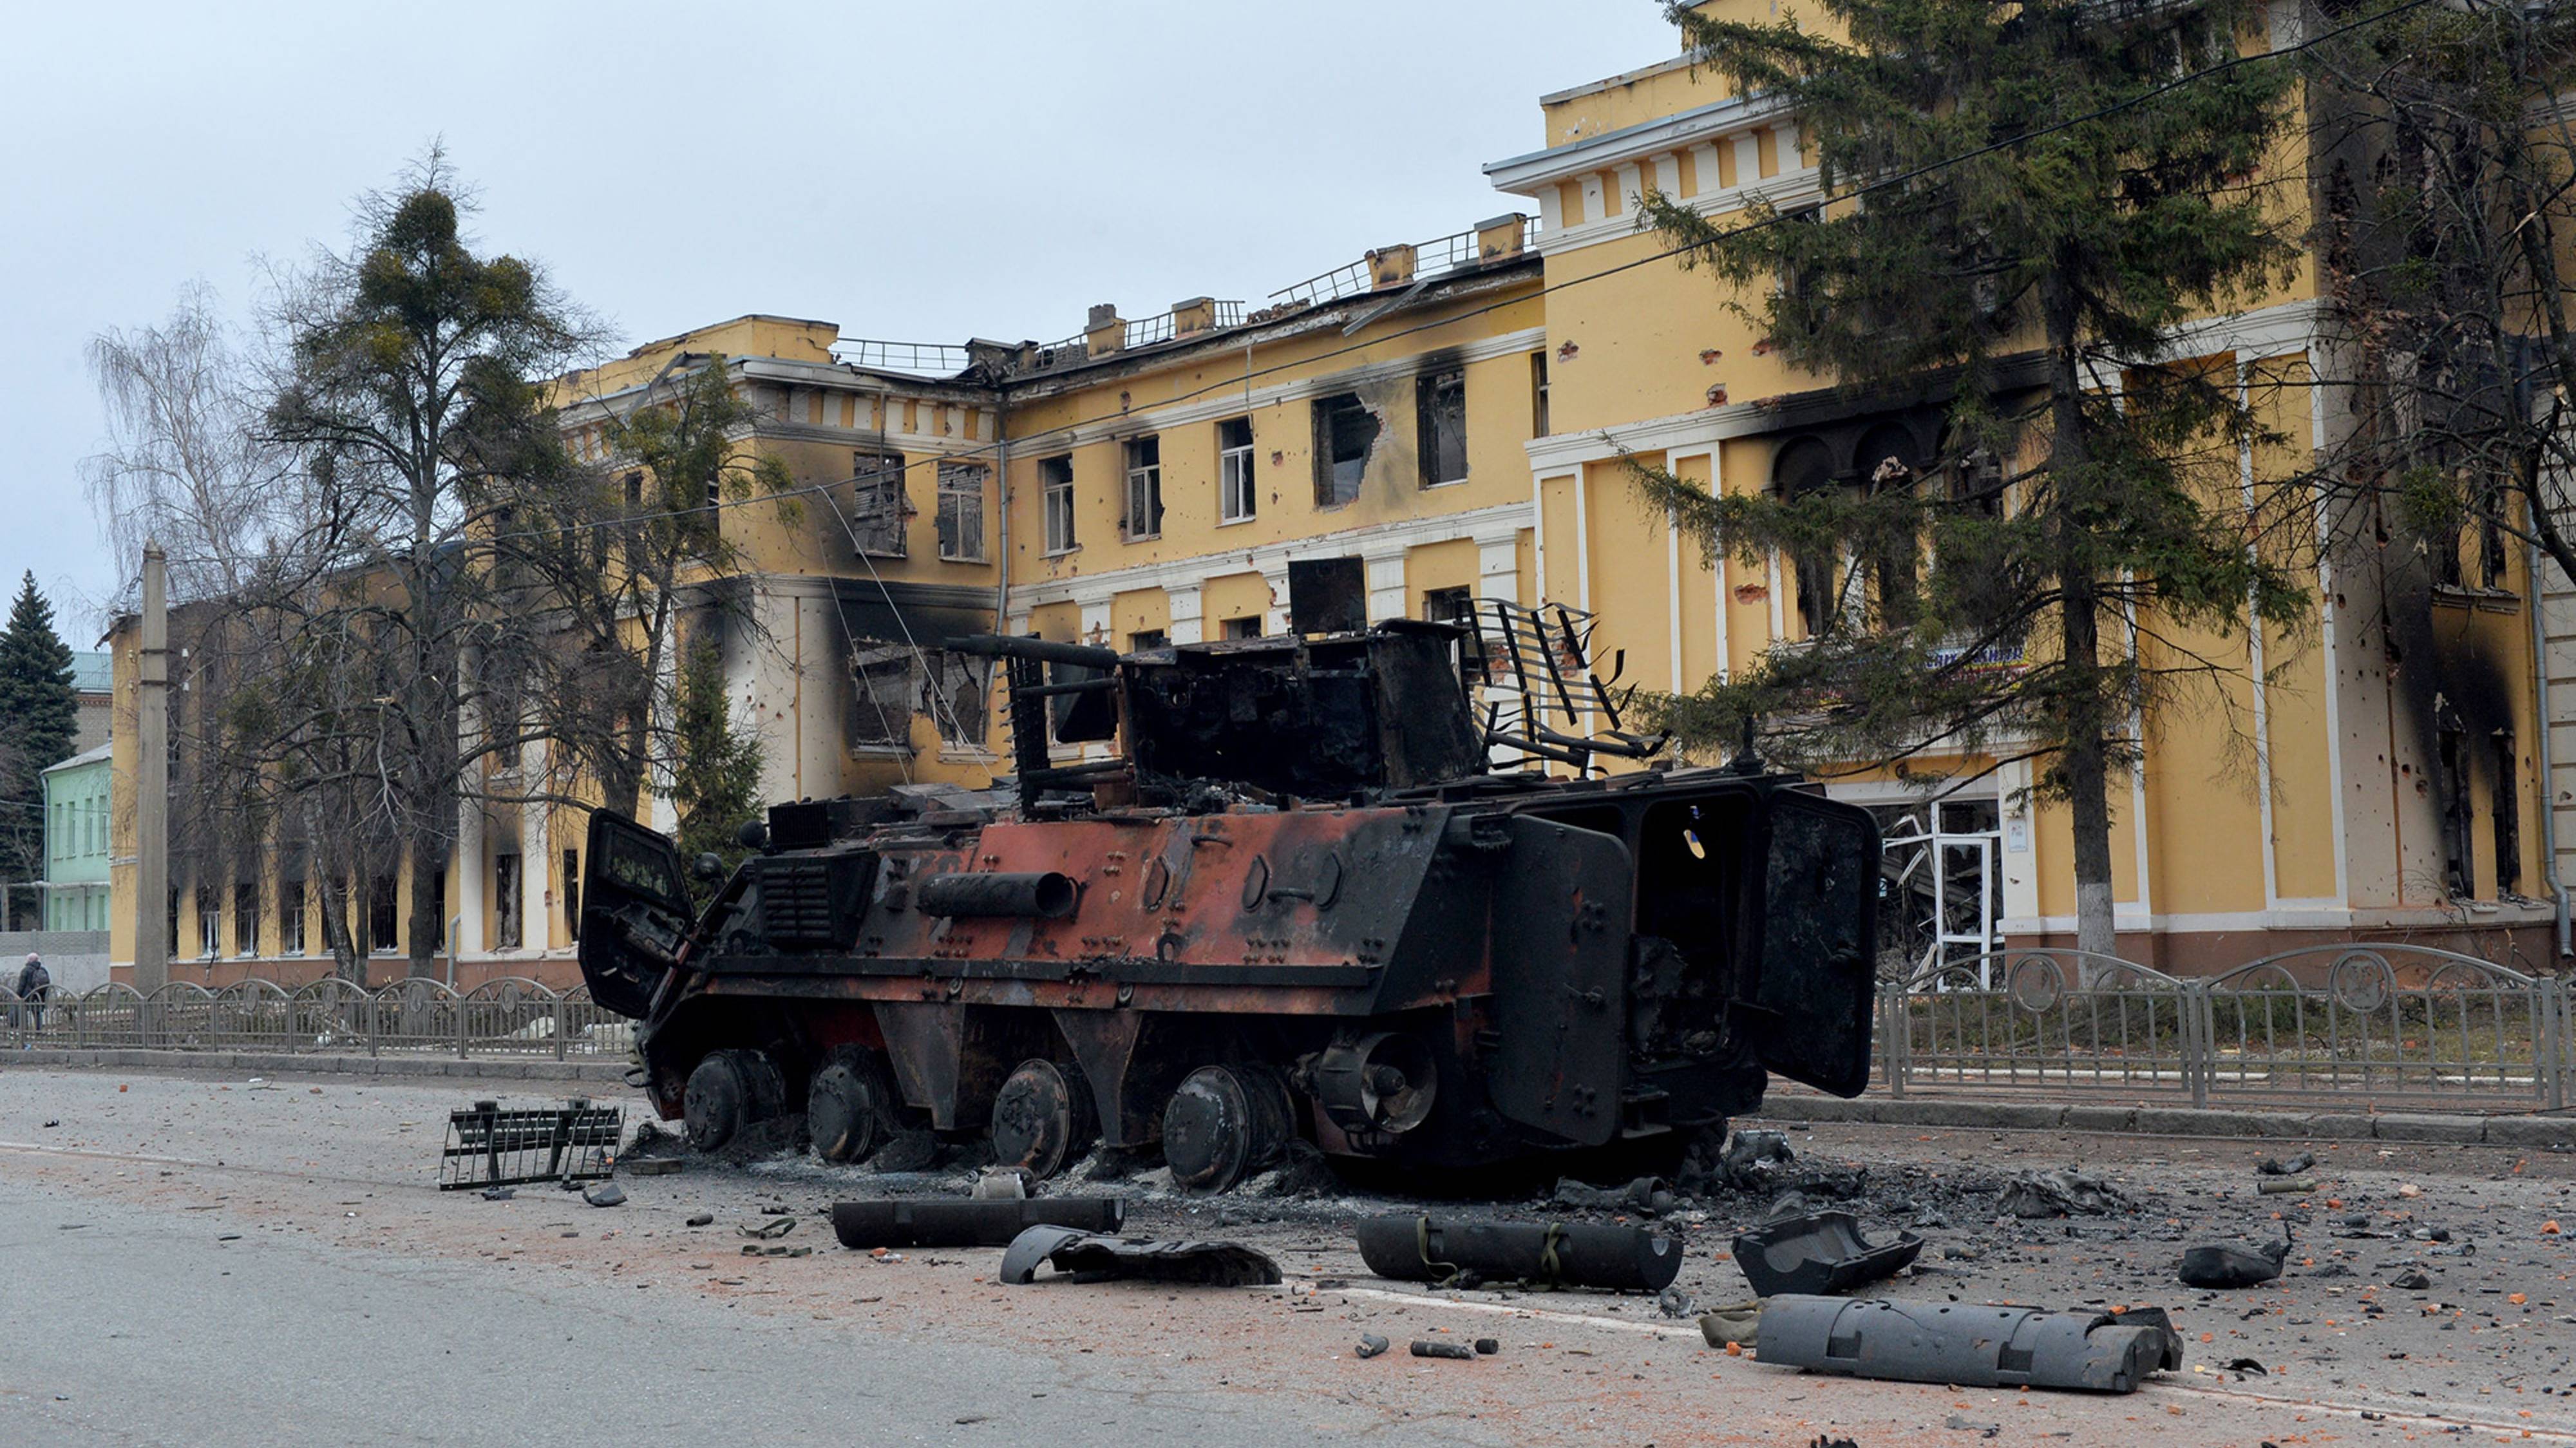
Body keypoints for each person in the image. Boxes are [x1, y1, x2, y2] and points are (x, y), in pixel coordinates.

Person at [15, 953, 49, 1033]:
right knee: (37, 1013)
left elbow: (22, 985)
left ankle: (24, 1030)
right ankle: (38, 1030)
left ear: (29, 960)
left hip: (27, 995)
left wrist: (17, 995)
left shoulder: (26, 970)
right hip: (39, 995)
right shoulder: (43, 970)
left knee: (23, 1012)